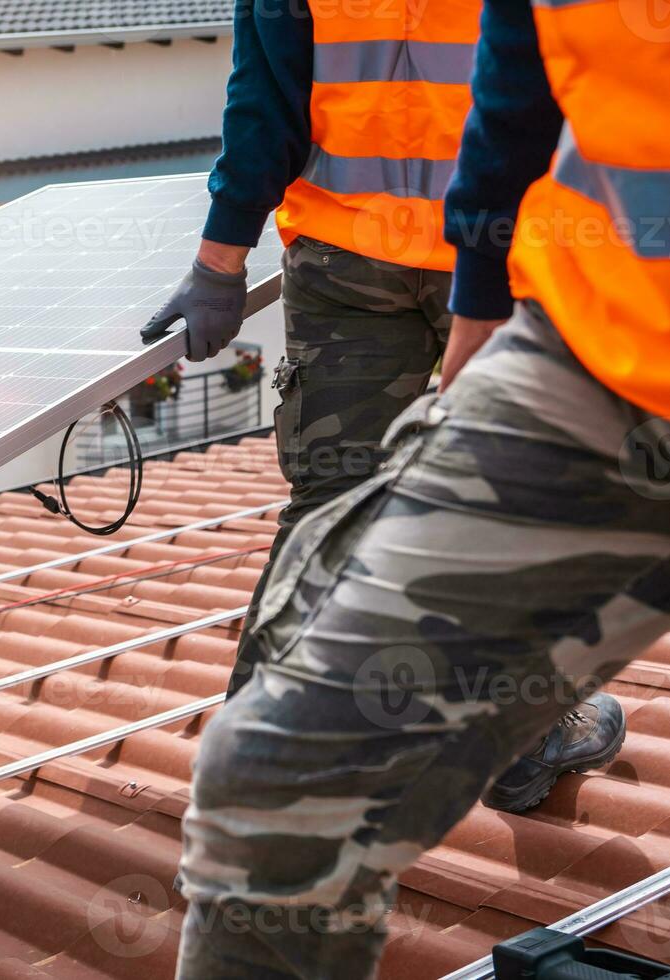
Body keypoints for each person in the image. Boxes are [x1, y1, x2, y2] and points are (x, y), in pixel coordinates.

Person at [175, 0, 668, 971]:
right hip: (567, 322)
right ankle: (507, 726)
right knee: (275, 769)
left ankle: (525, 729)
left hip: (519, 279)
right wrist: (483, 289)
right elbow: (521, 58)